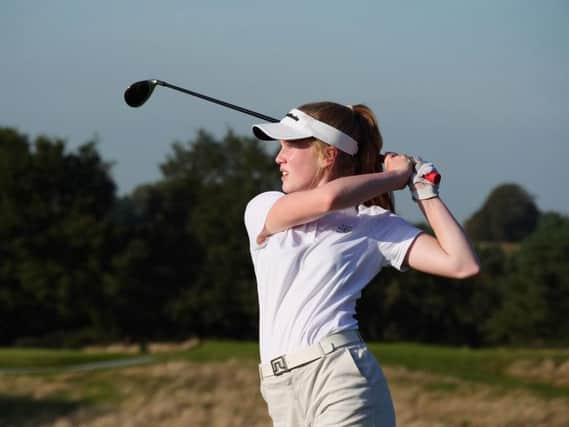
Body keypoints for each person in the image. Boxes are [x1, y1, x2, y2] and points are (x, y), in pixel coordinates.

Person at [244, 102, 479, 426]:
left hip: (340, 377)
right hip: (279, 389)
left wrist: (424, 191)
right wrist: (393, 176)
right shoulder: (264, 207)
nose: (278, 157)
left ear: (329, 154)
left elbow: (462, 264)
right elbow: (328, 199)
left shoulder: (374, 224)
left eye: (292, 145)